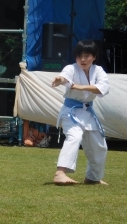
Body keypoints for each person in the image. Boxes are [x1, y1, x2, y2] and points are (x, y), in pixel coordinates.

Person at [51, 39, 110, 185]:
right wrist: (60, 79)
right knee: (74, 136)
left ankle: (93, 177)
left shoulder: (99, 71)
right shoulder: (71, 68)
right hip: (70, 112)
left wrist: (78, 86)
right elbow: (64, 77)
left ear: (94, 56)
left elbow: (103, 88)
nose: (82, 59)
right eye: (79, 56)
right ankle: (60, 173)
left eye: (87, 55)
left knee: (99, 145)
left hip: (88, 113)